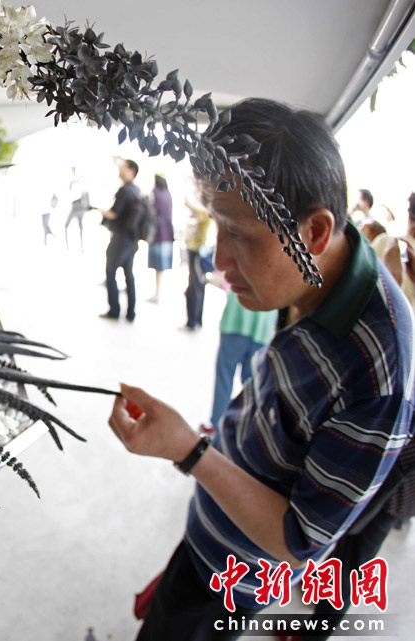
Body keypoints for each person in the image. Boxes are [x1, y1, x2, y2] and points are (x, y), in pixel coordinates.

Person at [108, 98, 415, 641]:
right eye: (217, 228)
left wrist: (190, 451)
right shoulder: (311, 273)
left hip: (237, 572)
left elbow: (300, 544)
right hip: (214, 521)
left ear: (315, 232)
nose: (218, 259)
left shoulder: (378, 372)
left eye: (241, 235)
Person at [207, 287, 277, 431]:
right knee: (252, 385)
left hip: (236, 323)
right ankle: (245, 429)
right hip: (263, 330)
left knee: (225, 377)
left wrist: (223, 325)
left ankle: (217, 425)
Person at [100, 157, 141, 321]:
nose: (120, 169)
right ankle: (131, 312)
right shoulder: (137, 190)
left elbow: (114, 213)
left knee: (111, 272)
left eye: (123, 167)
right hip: (132, 240)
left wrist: (100, 210)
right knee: (129, 275)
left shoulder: (125, 190)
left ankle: (114, 310)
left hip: (120, 239)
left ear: (131, 170)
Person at [183, 193, 212, 329]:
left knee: (195, 287)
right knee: (198, 286)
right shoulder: (205, 211)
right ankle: (196, 320)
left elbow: (187, 203)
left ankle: (193, 321)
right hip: (197, 252)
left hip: (197, 253)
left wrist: (186, 188)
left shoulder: (204, 211)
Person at [147, 173, 174, 303]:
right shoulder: (168, 193)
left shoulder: (154, 193)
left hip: (157, 233)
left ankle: (157, 292)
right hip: (167, 232)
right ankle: (158, 292)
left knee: (158, 264)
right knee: (161, 266)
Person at [64, 166, 90, 251]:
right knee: (66, 226)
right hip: (74, 207)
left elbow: (85, 193)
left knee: (80, 227)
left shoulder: (80, 181)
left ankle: (81, 246)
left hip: (80, 208)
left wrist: (87, 207)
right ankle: (68, 246)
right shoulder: (72, 181)